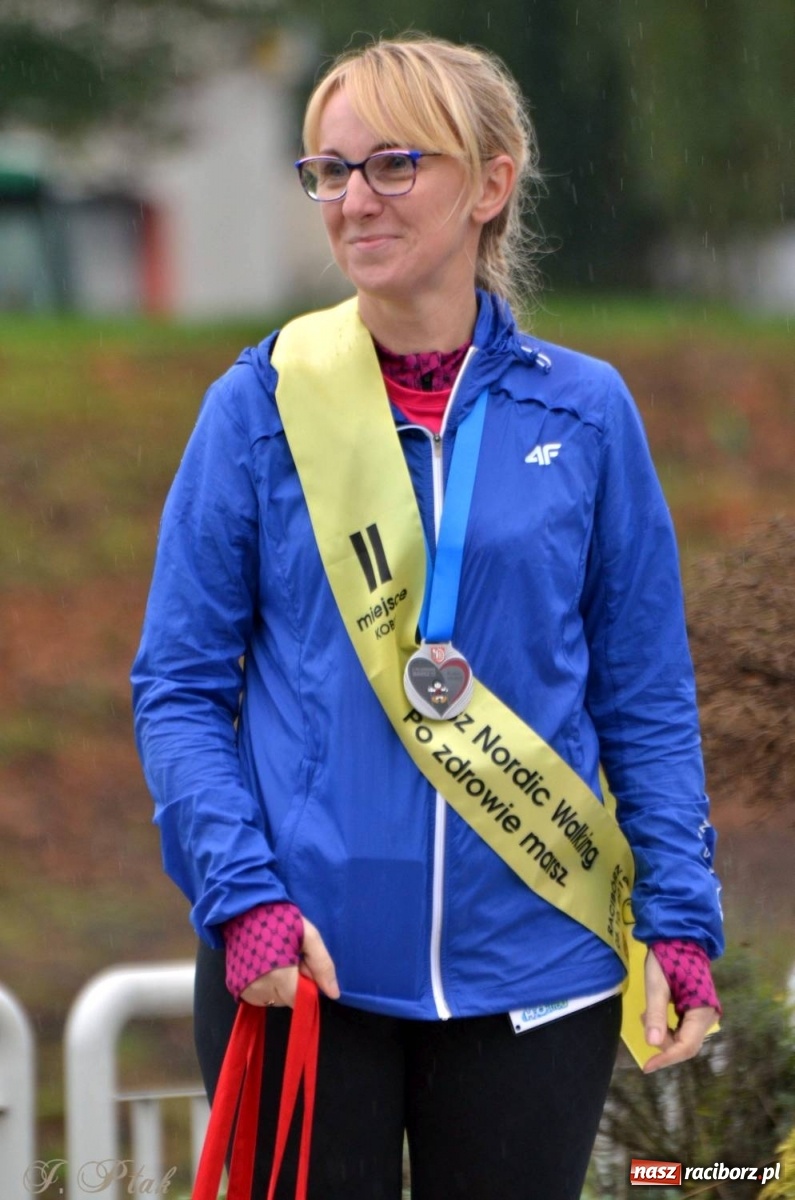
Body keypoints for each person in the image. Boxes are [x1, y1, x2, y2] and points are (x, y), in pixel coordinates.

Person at [131, 34, 724, 1200]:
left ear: (491, 184)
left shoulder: (589, 414)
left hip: (538, 965)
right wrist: (242, 896)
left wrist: (681, 921)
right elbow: (180, 687)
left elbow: (644, 694)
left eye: (395, 164)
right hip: (305, 966)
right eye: (331, 170)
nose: (355, 199)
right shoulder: (258, 408)